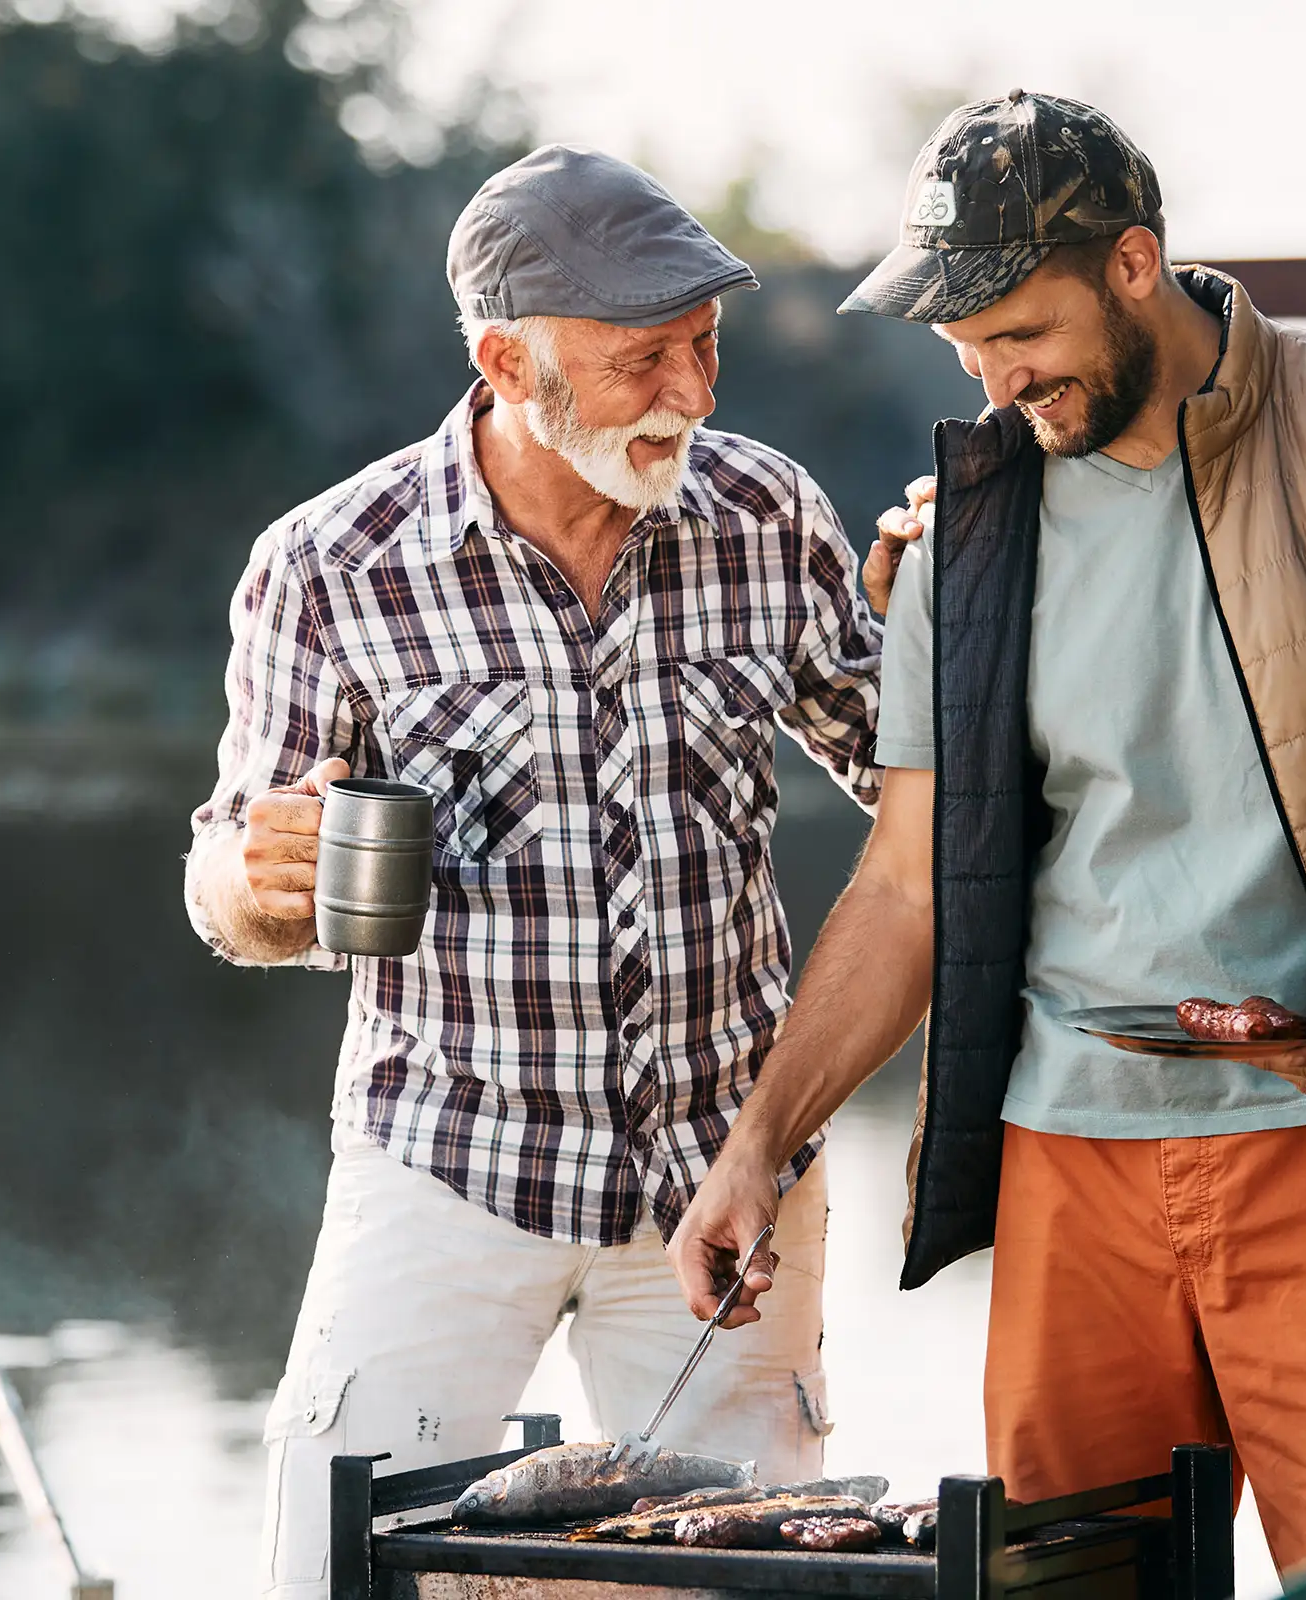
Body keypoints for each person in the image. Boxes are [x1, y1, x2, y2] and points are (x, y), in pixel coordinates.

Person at [670, 92, 1306, 1575]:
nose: (995, 379)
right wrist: (758, 1147)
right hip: (1067, 1176)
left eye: (1021, 334)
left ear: (1132, 265)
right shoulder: (961, 537)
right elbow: (909, 889)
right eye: (965, 348)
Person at [184, 144, 883, 1598]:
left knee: (767, 1579)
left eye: (705, 347)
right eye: (645, 361)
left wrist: (965, 605)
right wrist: (263, 880)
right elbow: (231, 884)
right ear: (507, 360)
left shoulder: (770, 514)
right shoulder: (330, 566)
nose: (693, 395)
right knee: (335, 1561)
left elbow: (917, 784)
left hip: (729, 1169)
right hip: (447, 1155)